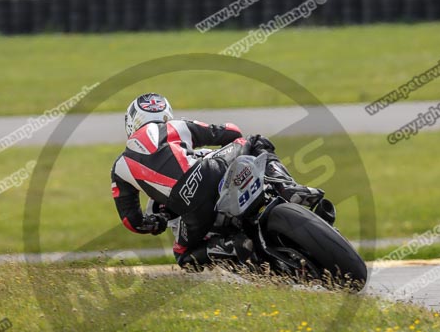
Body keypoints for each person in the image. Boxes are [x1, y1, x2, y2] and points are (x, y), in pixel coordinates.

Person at [111, 93, 326, 269]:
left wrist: (154, 223)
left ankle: (230, 246)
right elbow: (231, 133)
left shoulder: (120, 167)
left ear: (131, 123)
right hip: (210, 171)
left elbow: (131, 220)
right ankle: (286, 187)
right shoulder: (175, 126)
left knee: (184, 257)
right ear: (166, 114)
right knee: (255, 142)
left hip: (190, 211)